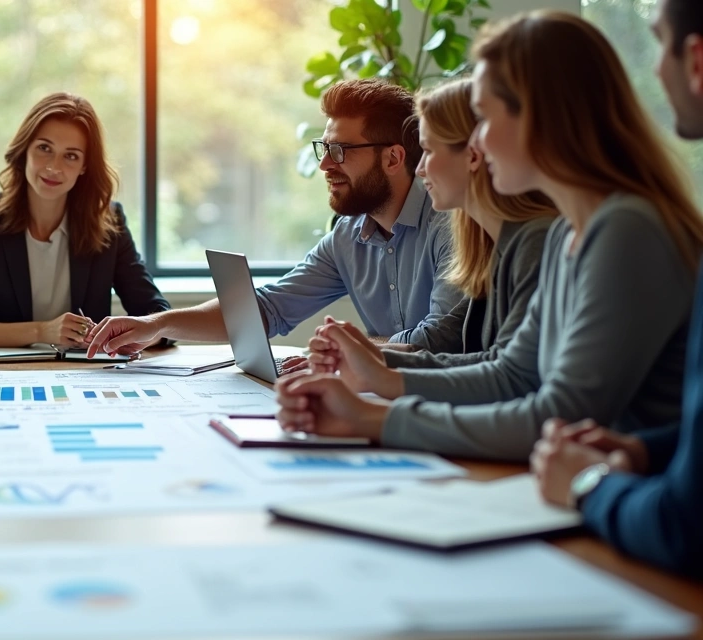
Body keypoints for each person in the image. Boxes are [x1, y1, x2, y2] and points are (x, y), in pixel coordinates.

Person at [275, 10, 703, 463]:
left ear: (538, 118)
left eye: (483, 117)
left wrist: (370, 418)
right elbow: (514, 375)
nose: (474, 143)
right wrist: (381, 373)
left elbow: (558, 413)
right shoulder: (566, 234)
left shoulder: (627, 231)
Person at [86, 79, 461, 360]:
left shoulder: (450, 224)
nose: (324, 164)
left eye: (340, 150)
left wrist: (337, 352)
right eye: (324, 148)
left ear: (393, 159)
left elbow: (438, 341)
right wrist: (157, 324)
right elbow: (267, 309)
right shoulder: (347, 238)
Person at [530, 0, 703, 580]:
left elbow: (686, 525)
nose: (654, 71)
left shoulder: (628, 227)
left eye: (659, 44)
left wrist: (587, 482)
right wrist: (649, 450)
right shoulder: (564, 232)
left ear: (696, 60)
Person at [306, 79, 556, 377]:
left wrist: (374, 397)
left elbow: (506, 377)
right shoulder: (491, 243)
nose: (420, 169)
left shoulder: (533, 242)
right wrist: (360, 359)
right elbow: (480, 356)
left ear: (474, 155)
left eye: (428, 150)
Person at [0, 92, 169, 349]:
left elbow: (157, 315)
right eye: (44, 148)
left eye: (70, 156)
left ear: (84, 166)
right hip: (4, 377)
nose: (53, 167)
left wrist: (133, 338)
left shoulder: (109, 223)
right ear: (25, 150)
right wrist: (42, 331)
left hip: (83, 376)